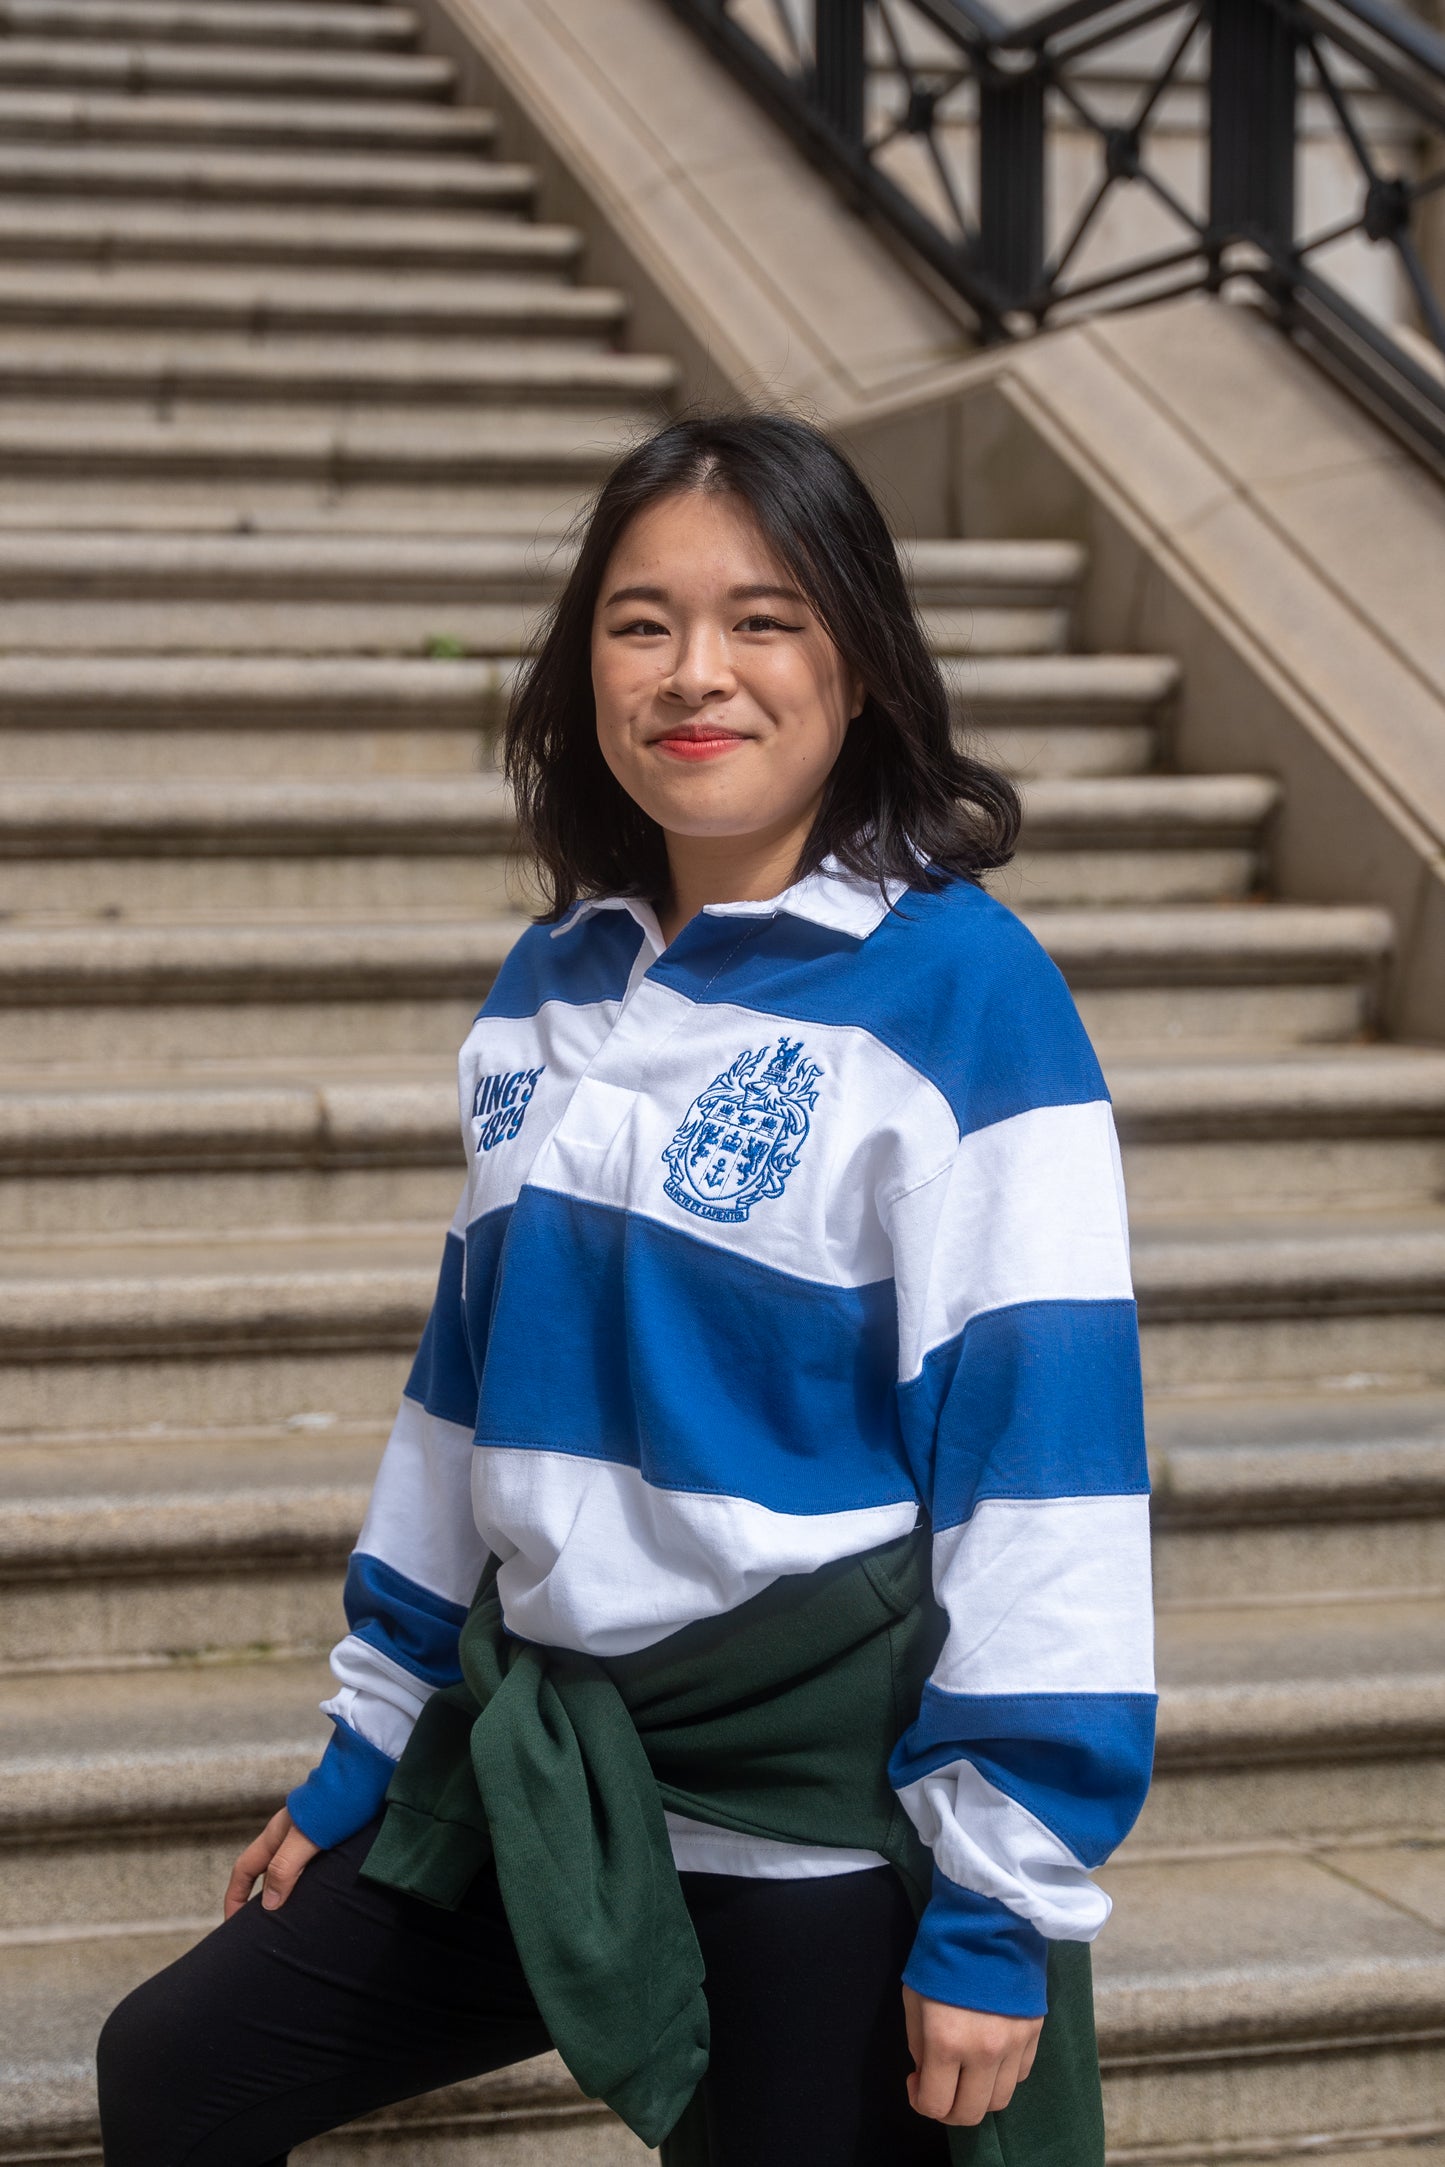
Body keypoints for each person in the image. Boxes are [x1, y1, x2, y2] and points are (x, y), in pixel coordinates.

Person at [96, 413, 1156, 2167]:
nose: (695, 673)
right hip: (549, 1766)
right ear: (584, 667)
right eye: (640, 622)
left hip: (807, 1809)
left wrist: (1001, 1900)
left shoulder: (964, 994)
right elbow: (464, 1388)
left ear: (861, 669)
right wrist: (371, 1732)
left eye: (764, 621)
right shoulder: (554, 980)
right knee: (179, 2072)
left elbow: (1042, 1460)